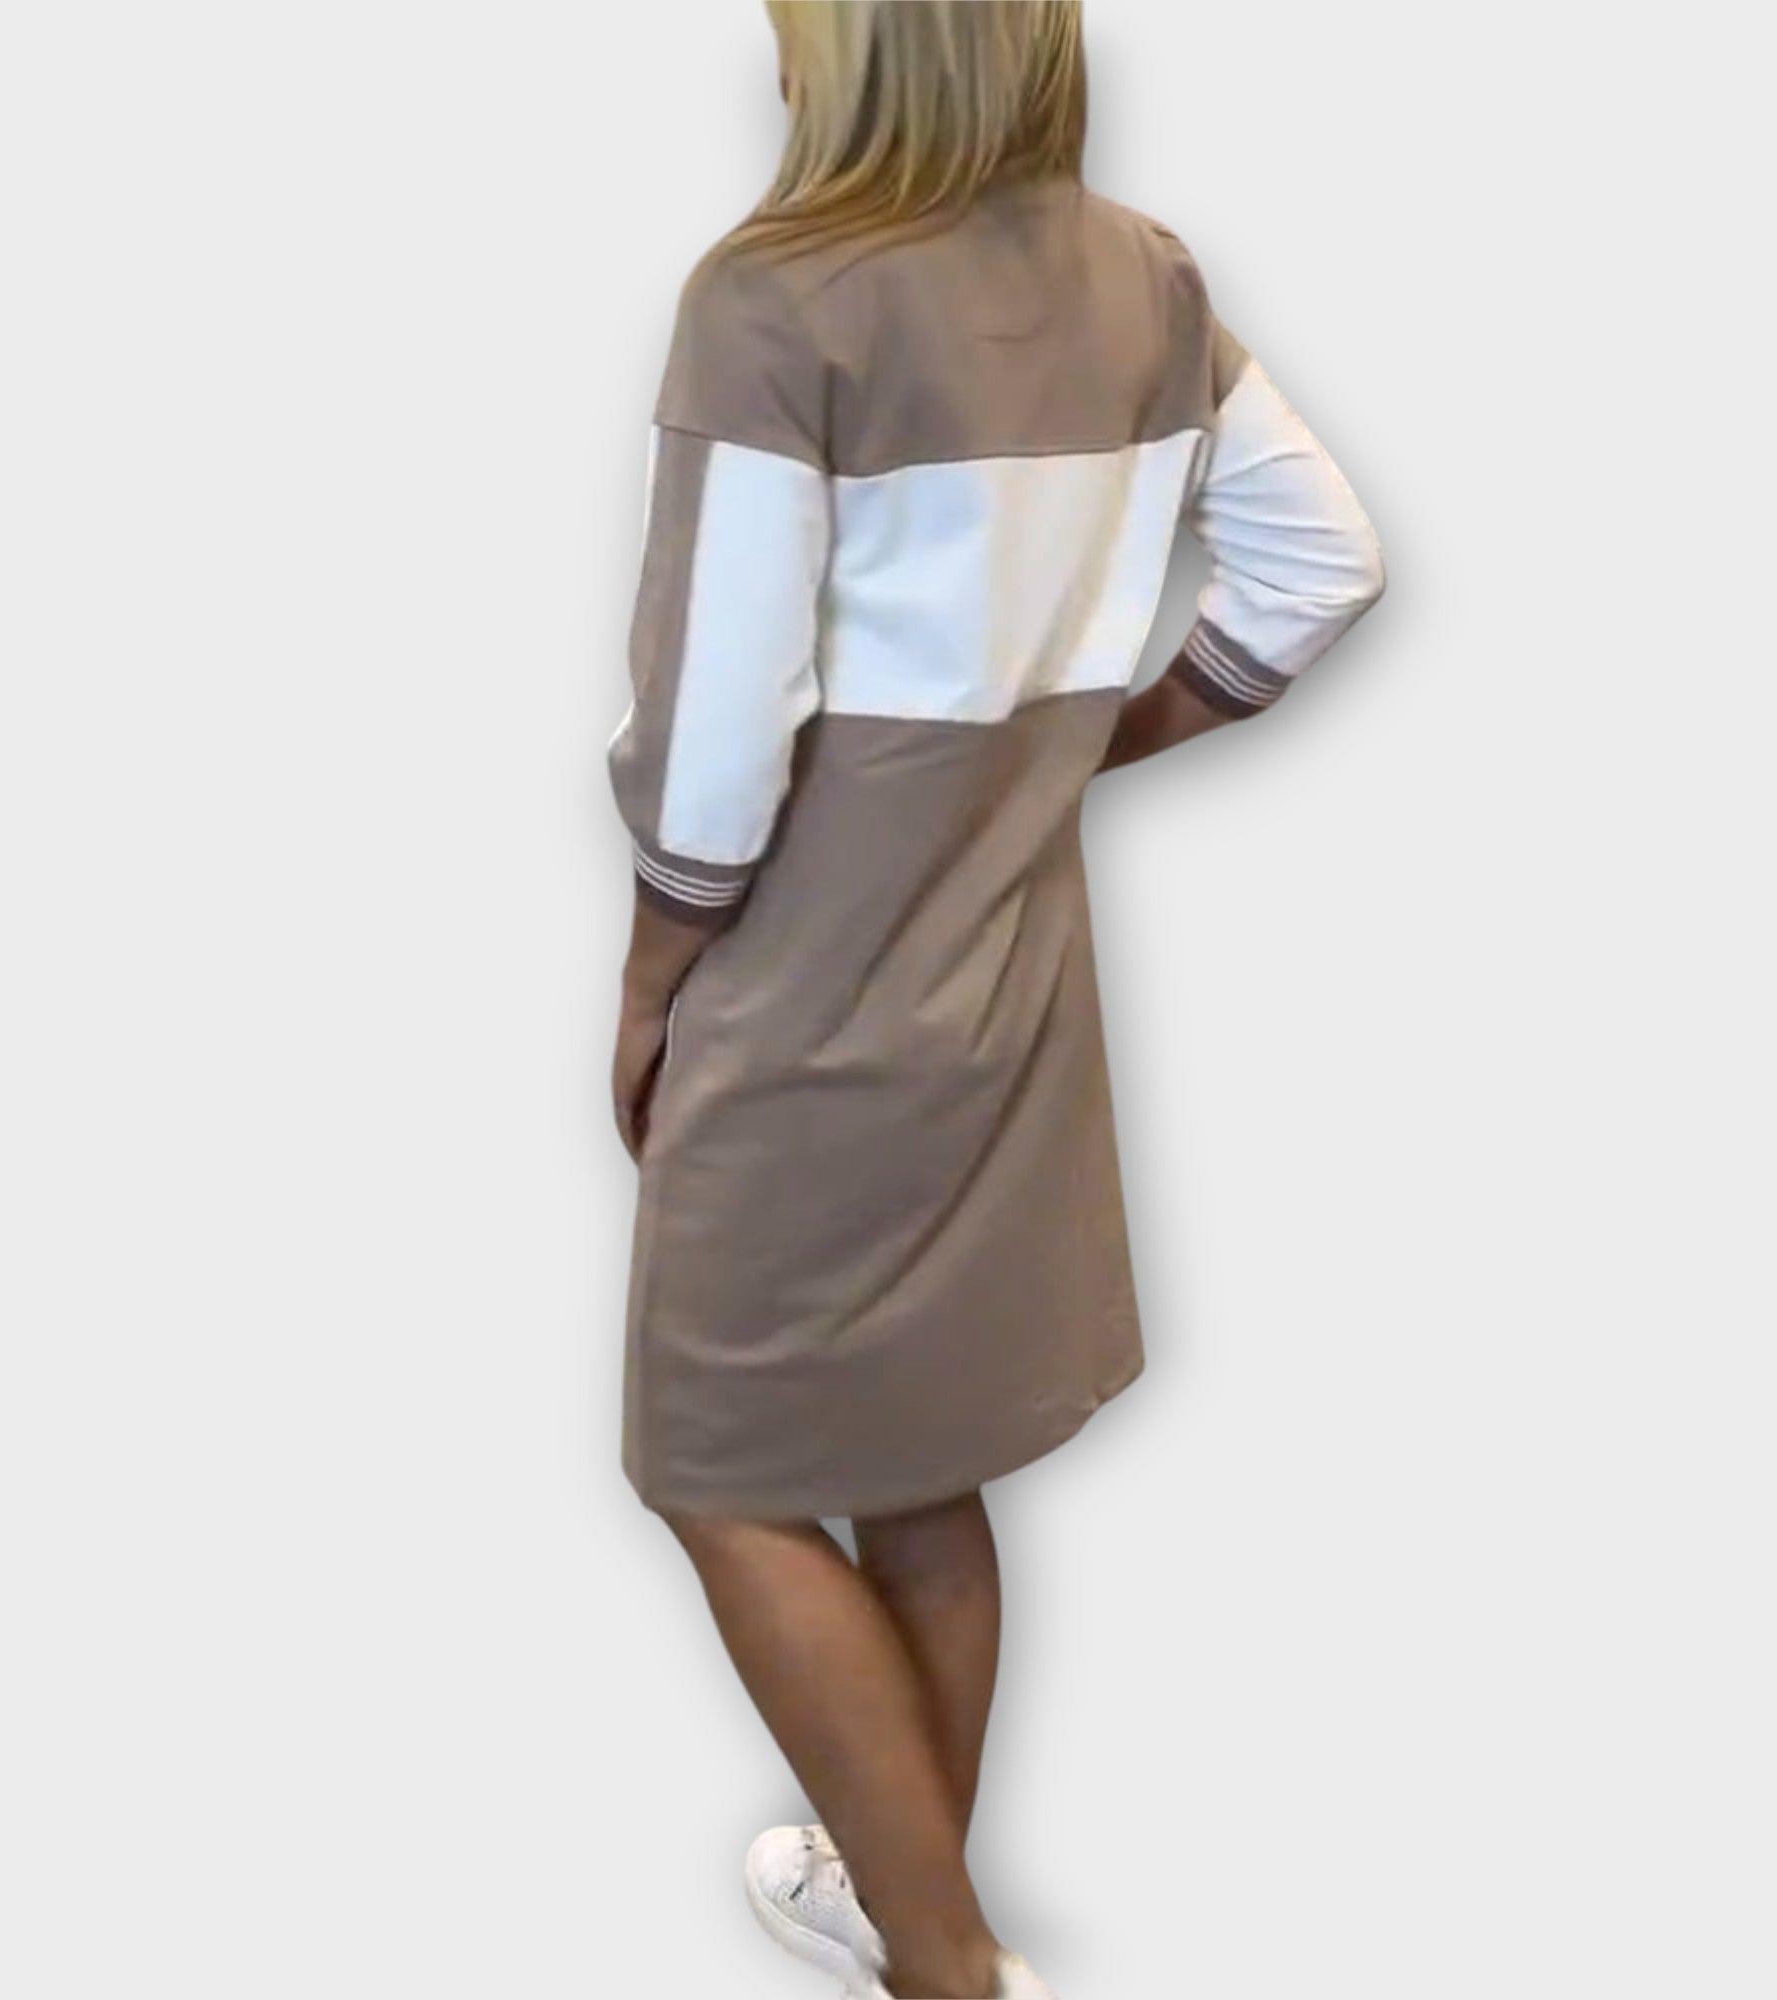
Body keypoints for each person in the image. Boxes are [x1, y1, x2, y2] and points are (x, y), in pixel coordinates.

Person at [604, 5, 1387, 1995]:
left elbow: (715, 737)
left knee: (713, 1467)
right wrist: (1079, 751)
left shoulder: (777, 301)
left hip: (814, 992)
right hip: (1017, 976)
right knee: (917, 1456)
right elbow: (1321, 563)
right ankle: (904, 1905)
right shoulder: (1148, 280)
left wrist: (650, 974)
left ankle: (948, 1965)